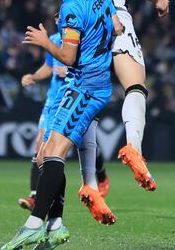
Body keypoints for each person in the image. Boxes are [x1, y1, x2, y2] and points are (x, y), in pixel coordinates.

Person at [37, 0, 170, 192]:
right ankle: (134, 149)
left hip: (81, 23)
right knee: (135, 85)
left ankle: (89, 182)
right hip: (112, 15)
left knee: (85, 99)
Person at [0, 0, 121, 250]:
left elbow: (67, 55)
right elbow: (117, 25)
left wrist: (44, 42)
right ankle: (55, 225)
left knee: (53, 153)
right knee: (44, 154)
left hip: (87, 87)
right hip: (83, 83)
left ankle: (34, 224)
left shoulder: (69, 8)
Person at [19, 17, 111, 211]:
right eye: (58, 17)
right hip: (54, 100)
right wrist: (34, 76)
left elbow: (84, 61)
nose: (61, 19)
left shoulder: (83, 37)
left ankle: (100, 176)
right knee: (40, 146)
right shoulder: (52, 38)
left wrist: (69, 68)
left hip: (75, 96)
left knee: (83, 143)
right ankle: (35, 195)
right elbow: (49, 67)